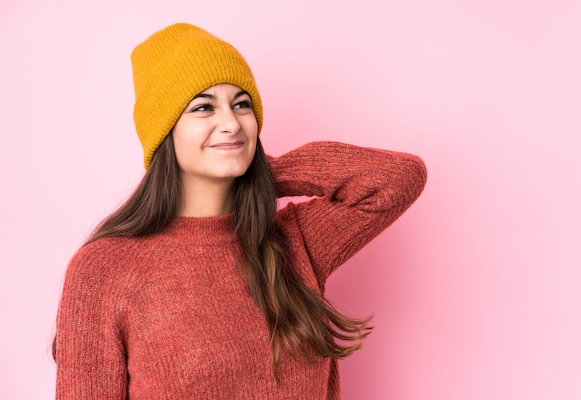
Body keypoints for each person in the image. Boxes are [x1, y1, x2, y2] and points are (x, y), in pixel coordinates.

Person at [53, 22, 427, 399]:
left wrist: (261, 171)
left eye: (241, 104)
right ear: (163, 133)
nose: (231, 123)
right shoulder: (105, 269)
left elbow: (398, 178)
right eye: (203, 107)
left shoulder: (293, 242)